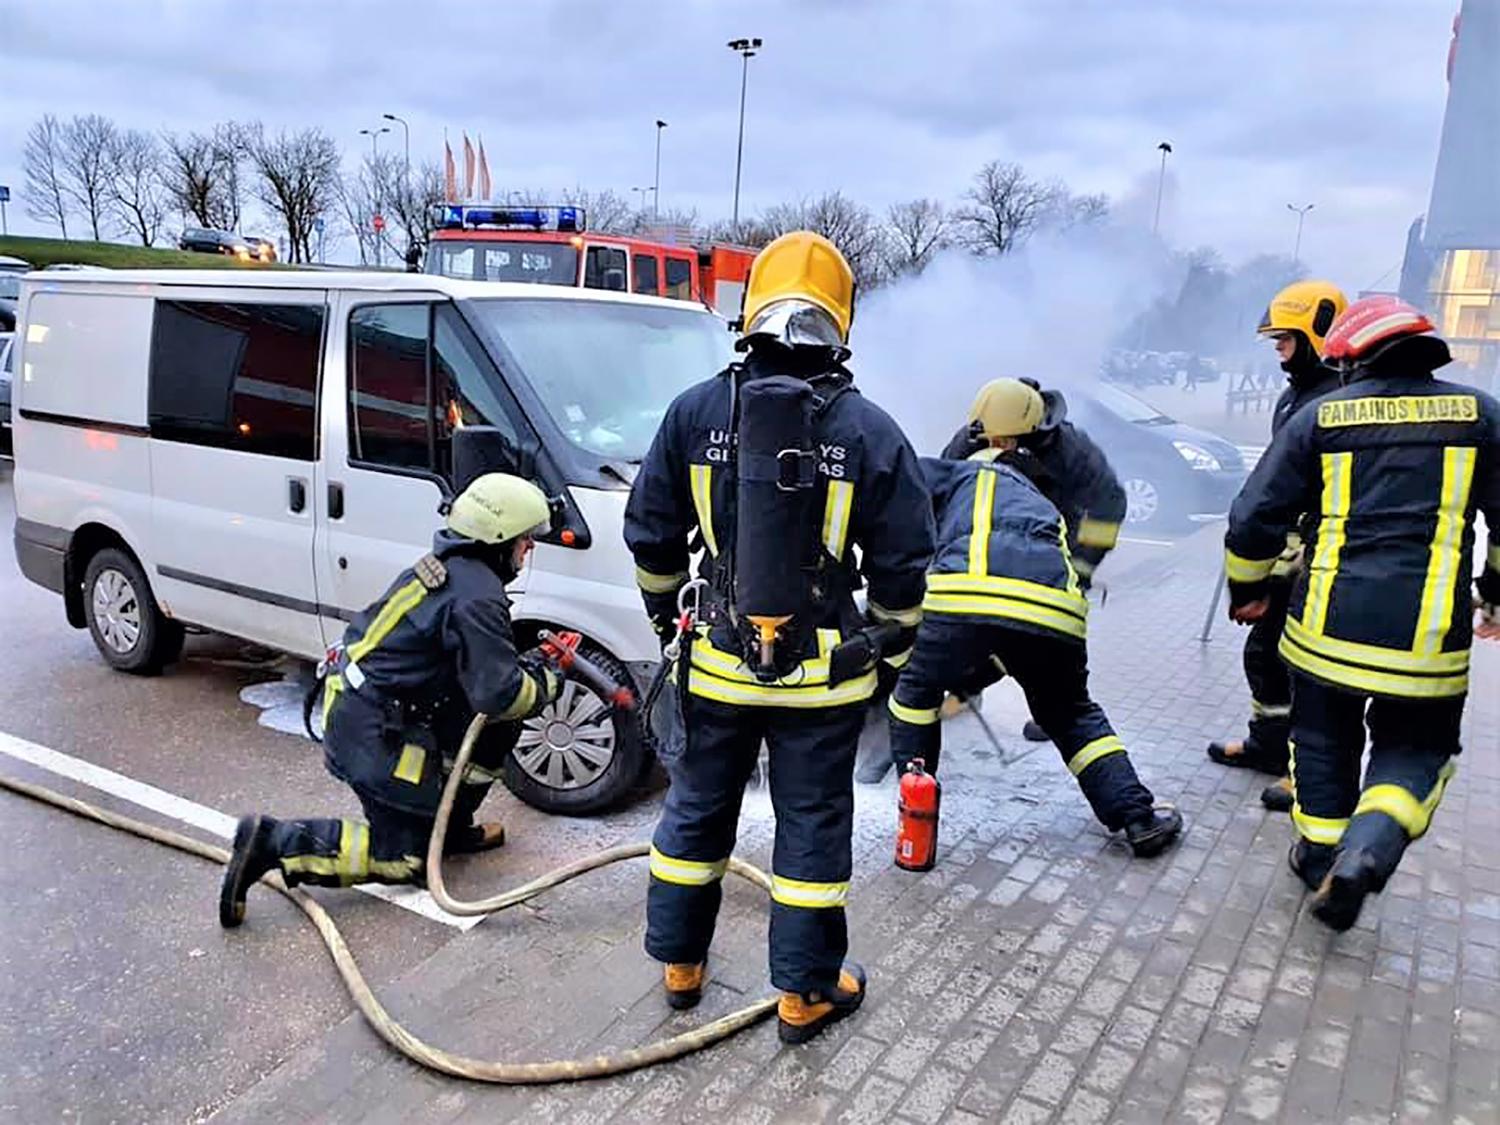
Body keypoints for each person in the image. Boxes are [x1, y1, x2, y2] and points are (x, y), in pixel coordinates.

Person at [625, 231, 934, 1044]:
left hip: (715, 667)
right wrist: (891, 658)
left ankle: (680, 967)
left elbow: (650, 536)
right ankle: (804, 993)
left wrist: (670, 624)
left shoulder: (695, 412)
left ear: (750, 309)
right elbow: (904, 567)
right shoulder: (868, 430)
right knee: (811, 825)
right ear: (840, 320)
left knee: (697, 811)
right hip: (823, 682)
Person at [1226, 296, 1499, 931]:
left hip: (1325, 631)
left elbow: (1252, 518)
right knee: (1415, 750)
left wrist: (1250, 589)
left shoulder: (1321, 417)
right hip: (1427, 641)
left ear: (1353, 360)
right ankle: (1367, 852)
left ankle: (1319, 856)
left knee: (1322, 743)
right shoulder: (1481, 415)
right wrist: (1495, 593)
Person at [219, 473, 562, 927]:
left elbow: (475, 670)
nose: (530, 547)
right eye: (524, 538)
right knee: (403, 861)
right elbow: (499, 694)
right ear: (498, 539)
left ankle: (447, 831)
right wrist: (548, 681)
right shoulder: (477, 596)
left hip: (381, 710)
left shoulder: (455, 569)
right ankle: (272, 843)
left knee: (490, 735)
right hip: (374, 733)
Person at [889, 385, 1183, 858]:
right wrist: (1078, 574)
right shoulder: (1042, 485)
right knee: (1070, 713)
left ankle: (915, 813)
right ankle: (1138, 818)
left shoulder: (955, 471)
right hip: (1053, 609)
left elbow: (900, 506)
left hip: (964, 600)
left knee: (914, 696)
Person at [1210, 280, 1347, 813]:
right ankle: (1269, 745)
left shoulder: (1338, 402)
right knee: (1265, 655)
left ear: (1318, 336)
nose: (1280, 352)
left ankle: (1304, 769)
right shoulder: (1295, 398)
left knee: (1306, 667)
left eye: (1286, 340)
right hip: (1288, 555)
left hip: (1324, 559)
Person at [943, 377, 1126, 742]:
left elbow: (1109, 504)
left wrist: (1080, 567)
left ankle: (1056, 711)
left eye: (1003, 442)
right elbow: (942, 488)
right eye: (990, 441)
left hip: (1054, 546)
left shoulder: (1070, 451)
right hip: (994, 541)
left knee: (1049, 634)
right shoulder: (975, 436)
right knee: (979, 623)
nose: (994, 447)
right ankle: (966, 688)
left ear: (1028, 432)